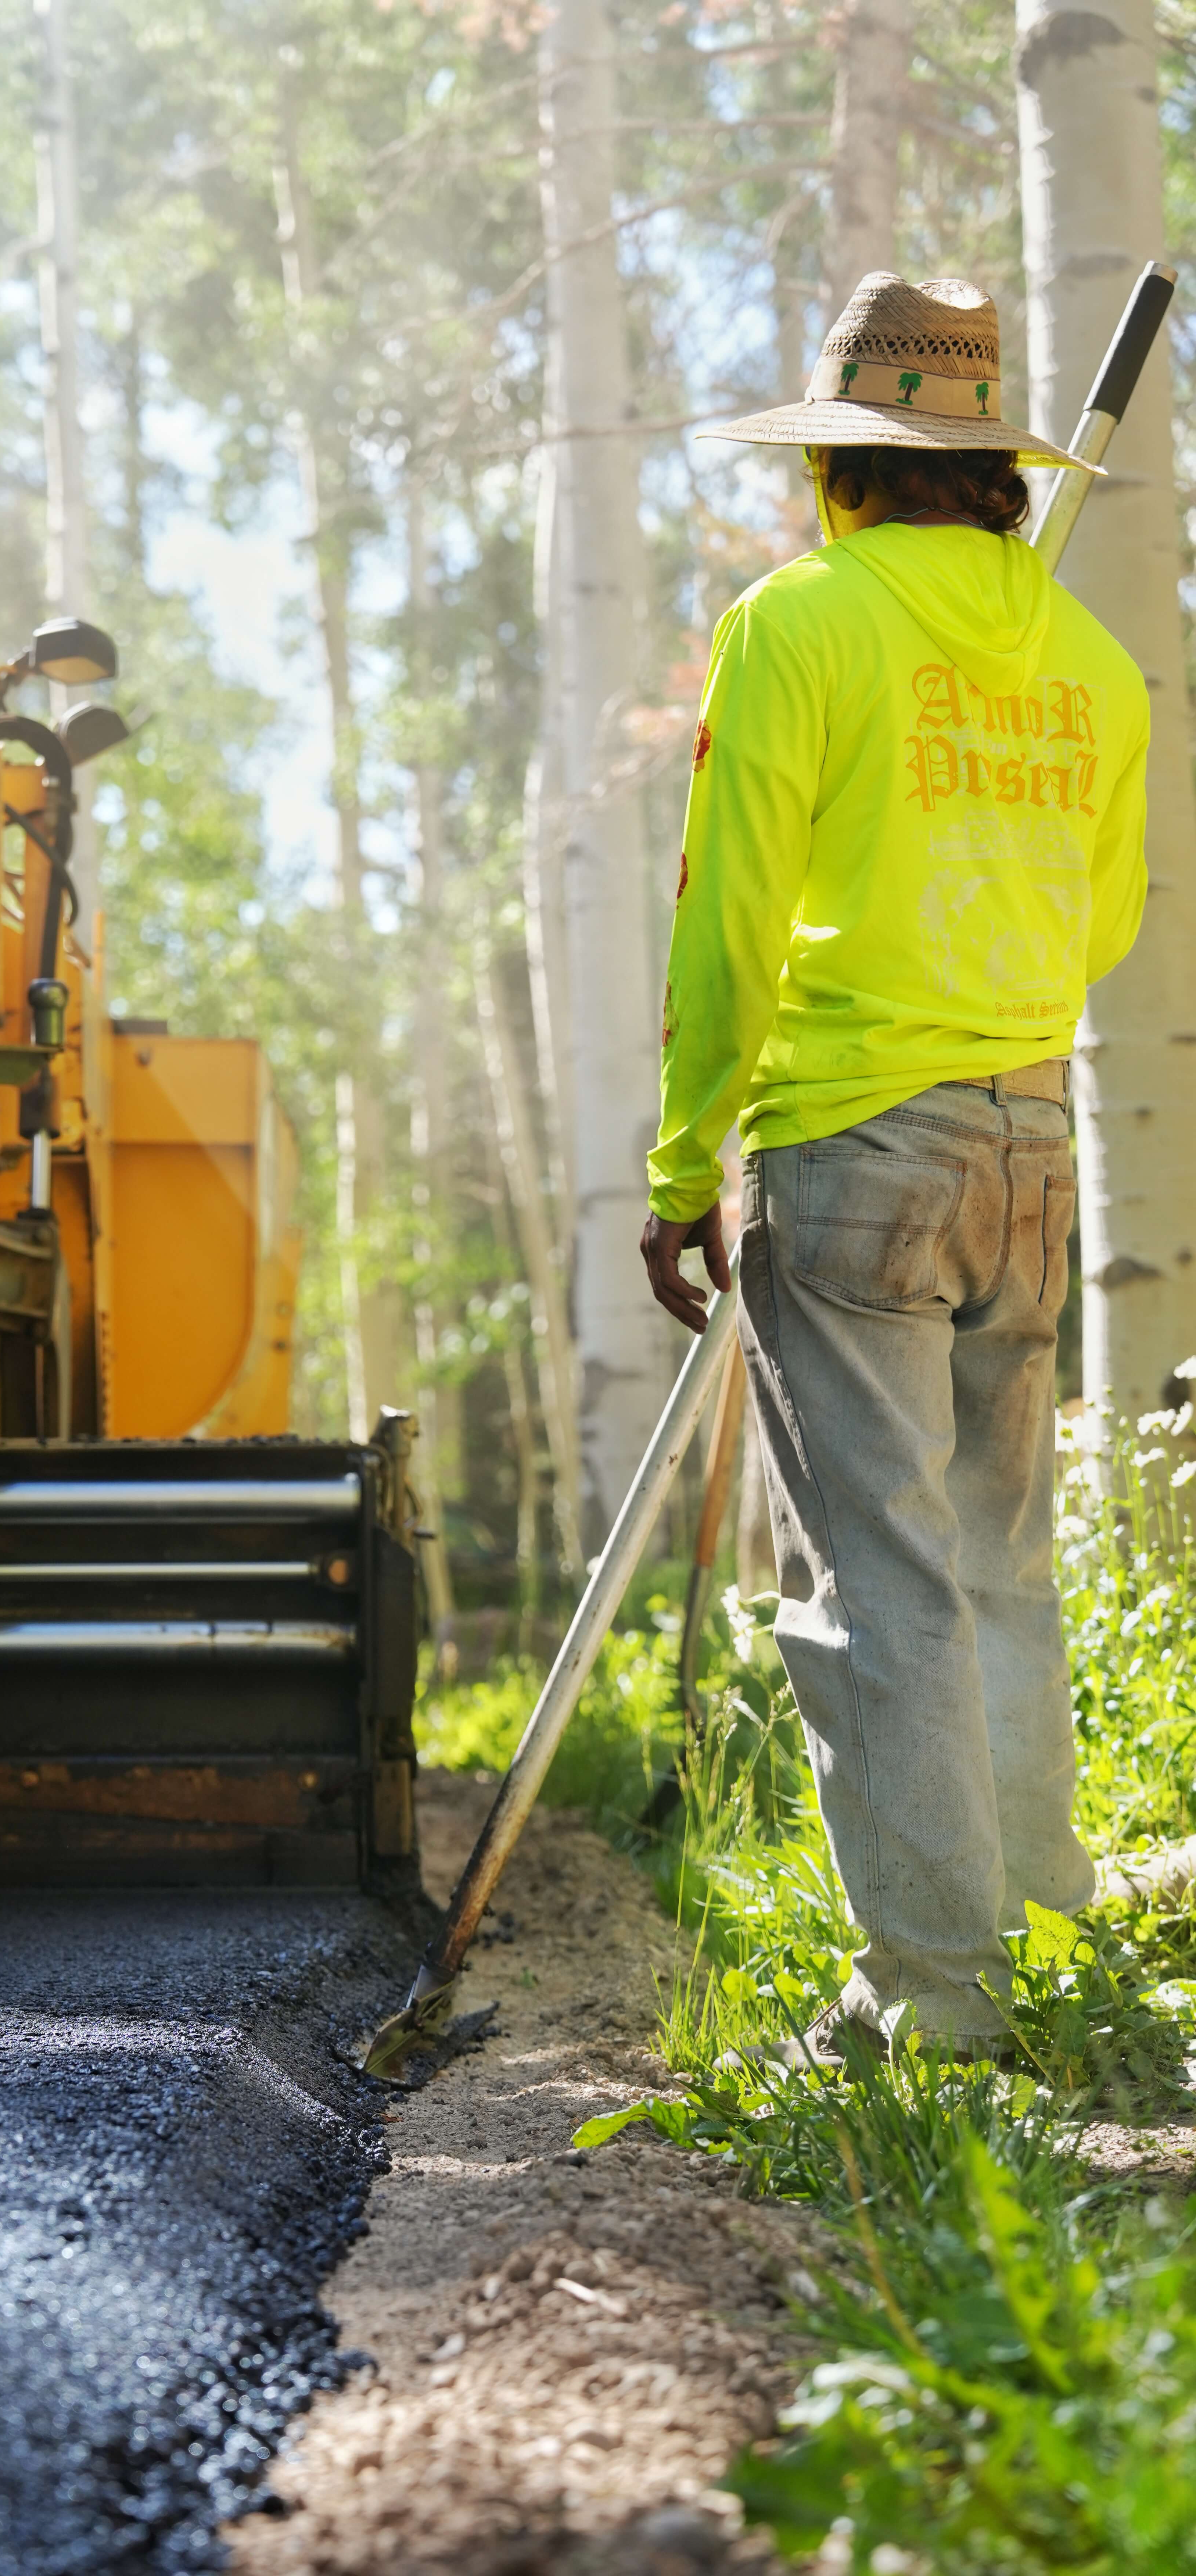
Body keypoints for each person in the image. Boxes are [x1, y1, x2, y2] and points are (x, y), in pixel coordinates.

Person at [641, 275, 1149, 2060]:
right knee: (1000, 1559)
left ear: (841, 468)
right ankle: (1035, 1921)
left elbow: (730, 914)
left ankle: (934, 1997)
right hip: (1026, 1133)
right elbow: (1100, 918)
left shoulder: (802, 619)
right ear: (987, 472)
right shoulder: (1084, 660)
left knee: (880, 1583)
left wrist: (681, 1155)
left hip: (854, 1139)